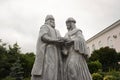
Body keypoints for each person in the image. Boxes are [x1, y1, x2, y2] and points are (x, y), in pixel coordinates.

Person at [31, 15, 63, 80]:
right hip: (49, 50)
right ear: (48, 21)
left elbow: (60, 39)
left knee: (56, 68)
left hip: (57, 51)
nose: (53, 22)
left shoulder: (57, 31)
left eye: (54, 20)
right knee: (49, 67)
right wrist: (55, 40)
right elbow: (43, 37)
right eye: (51, 20)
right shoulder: (45, 27)